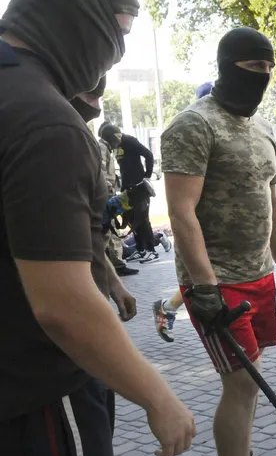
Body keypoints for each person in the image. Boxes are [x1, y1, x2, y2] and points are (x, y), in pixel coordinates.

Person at [0, 0, 196, 456]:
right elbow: (62, 307)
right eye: (118, 28)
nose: (118, 50)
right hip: (37, 403)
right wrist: (157, 396)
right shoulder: (45, 120)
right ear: (74, 10)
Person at [161, 30, 276, 456]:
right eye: (251, 66)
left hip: (260, 274)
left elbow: (273, 204)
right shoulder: (192, 126)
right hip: (216, 282)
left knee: (253, 374)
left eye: (269, 67)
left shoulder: (262, 126)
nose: (262, 76)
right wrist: (203, 288)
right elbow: (180, 213)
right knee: (242, 384)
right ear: (225, 66)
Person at [153, 81, 213, 342]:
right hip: (200, 227)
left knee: (209, 279)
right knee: (201, 280)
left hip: (218, 231)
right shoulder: (191, 129)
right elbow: (180, 204)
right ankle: (167, 308)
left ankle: (167, 307)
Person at [72, 78, 139, 277]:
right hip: (104, 197)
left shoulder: (107, 148)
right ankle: (116, 264)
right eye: (117, 136)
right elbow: (99, 174)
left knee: (109, 233)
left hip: (108, 194)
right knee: (107, 232)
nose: (120, 139)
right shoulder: (100, 147)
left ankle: (115, 264)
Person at [100, 124, 157, 263]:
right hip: (127, 187)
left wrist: (146, 176)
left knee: (142, 218)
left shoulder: (129, 140)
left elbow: (148, 155)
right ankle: (140, 249)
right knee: (132, 219)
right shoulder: (111, 146)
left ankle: (151, 251)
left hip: (138, 186)